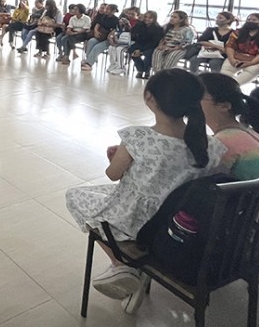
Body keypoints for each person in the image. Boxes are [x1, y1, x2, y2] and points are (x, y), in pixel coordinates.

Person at [65, 69, 225, 308]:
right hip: (176, 224)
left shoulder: (138, 137)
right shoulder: (212, 146)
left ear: (150, 98)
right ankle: (135, 272)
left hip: (136, 221)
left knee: (75, 196)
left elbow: (113, 175)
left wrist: (116, 158)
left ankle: (123, 266)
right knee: (100, 197)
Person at [199, 72, 259, 182]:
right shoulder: (246, 132)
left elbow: (201, 179)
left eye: (196, 97)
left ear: (224, 106)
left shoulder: (222, 143)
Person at [221, 13, 259, 84]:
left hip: (256, 61)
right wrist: (232, 60)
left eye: (254, 20)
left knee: (241, 79)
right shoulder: (238, 32)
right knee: (224, 76)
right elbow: (230, 46)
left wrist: (251, 63)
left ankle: (233, 86)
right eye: (249, 19)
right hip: (236, 58)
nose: (250, 21)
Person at [80, 4, 119, 72]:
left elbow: (114, 31)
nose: (105, 10)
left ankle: (89, 64)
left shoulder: (116, 20)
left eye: (108, 9)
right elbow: (98, 24)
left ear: (113, 11)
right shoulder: (104, 16)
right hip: (100, 36)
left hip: (108, 39)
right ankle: (88, 60)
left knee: (97, 47)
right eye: (106, 8)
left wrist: (109, 37)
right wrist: (96, 31)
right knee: (91, 41)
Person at [129, 10, 164, 79]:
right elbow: (134, 34)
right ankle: (140, 69)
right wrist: (139, 23)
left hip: (151, 45)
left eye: (150, 18)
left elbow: (154, 42)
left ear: (154, 18)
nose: (147, 19)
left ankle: (146, 71)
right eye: (145, 17)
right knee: (131, 50)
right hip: (140, 43)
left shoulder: (158, 28)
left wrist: (140, 50)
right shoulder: (140, 25)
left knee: (148, 54)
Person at [103, 12, 134, 76]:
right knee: (111, 47)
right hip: (119, 42)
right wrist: (111, 38)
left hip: (127, 43)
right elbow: (111, 35)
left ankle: (121, 67)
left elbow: (131, 36)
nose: (121, 21)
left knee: (119, 49)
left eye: (123, 20)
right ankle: (114, 64)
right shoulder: (117, 27)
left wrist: (128, 25)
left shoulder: (129, 27)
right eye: (120, 19)